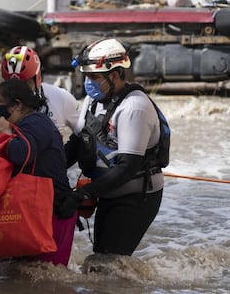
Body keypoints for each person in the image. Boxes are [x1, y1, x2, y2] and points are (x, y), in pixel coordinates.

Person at [62, 38, 165, 256]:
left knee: (108, 263)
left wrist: (83, 194)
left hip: (135, 196)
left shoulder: (134, 107)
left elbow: (126, 167)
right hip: (107, 191)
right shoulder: (93, 100)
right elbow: (78, 142)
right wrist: (48, 170)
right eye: (86, 76)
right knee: (101, 258)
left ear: (115, 75)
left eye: (94, 77)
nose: (88, 82)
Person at [0, 79, 77, 266]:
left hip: (55, 213)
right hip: (34, 212)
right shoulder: (23, 125)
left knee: (48, 279)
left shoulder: (36, 123)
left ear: (17, 105)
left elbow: (22, 154)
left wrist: (4, 135)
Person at [0, 45, 81, 146]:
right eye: (11, 85)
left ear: (37, 78)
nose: (18, 91)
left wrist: (65, 158)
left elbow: (84, 135)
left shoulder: (60, 98)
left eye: (24, 84)